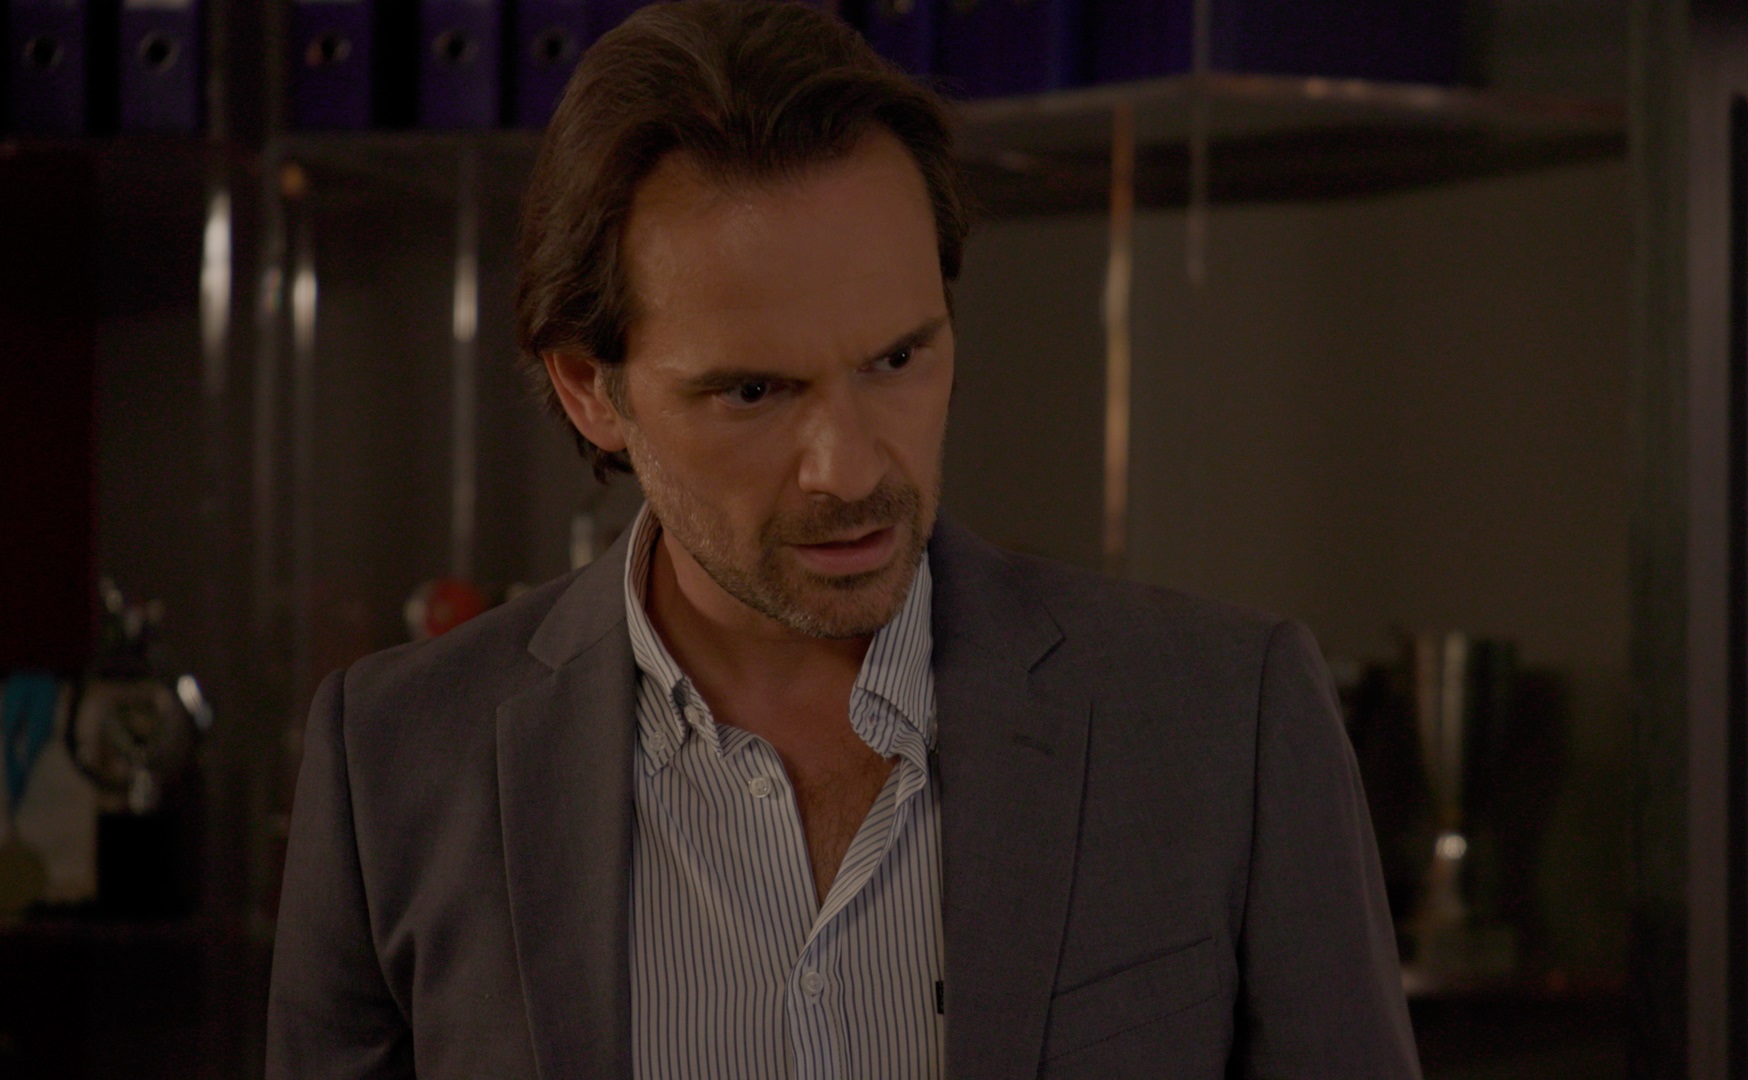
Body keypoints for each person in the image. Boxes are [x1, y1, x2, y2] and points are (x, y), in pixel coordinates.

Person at [265, 2, 1419, 1077]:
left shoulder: (1224, 720)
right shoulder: (398, 765)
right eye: (754, 391)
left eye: (898, 359)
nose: (853, 471)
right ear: (588, 389)